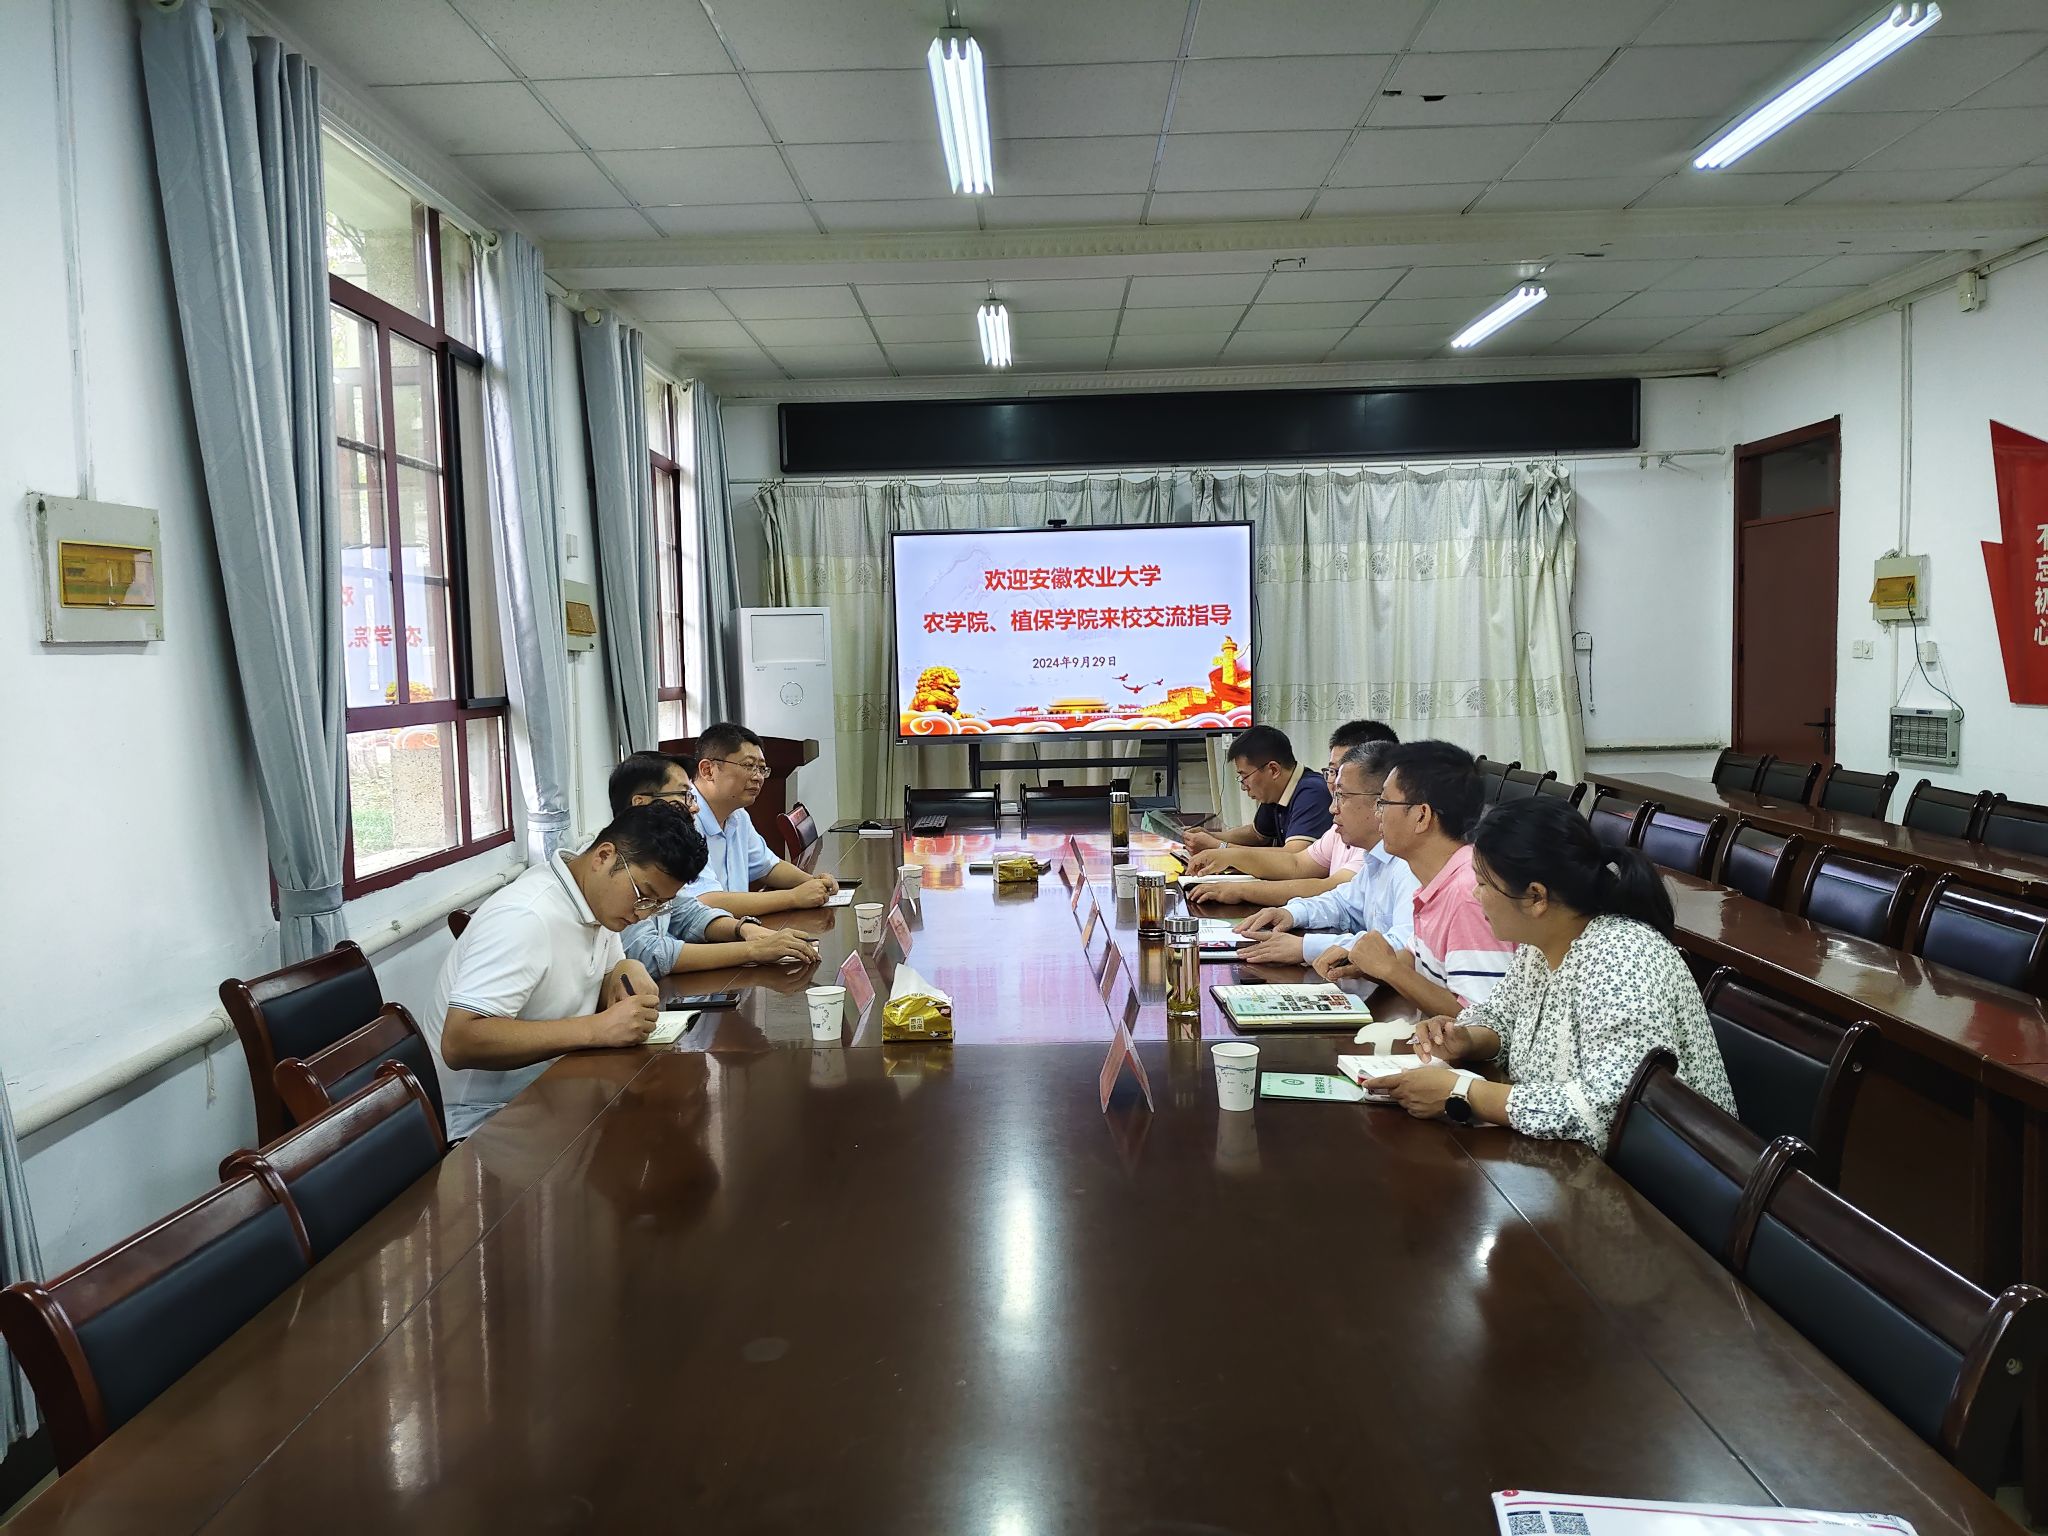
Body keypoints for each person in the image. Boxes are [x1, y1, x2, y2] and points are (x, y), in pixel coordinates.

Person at [1364, 796, 1738, 1154]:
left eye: (1484, 884)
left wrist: (1463, 1093)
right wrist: (1465, 1038)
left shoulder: (1623, 958)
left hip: (1658, 1179)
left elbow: (1612, 1105)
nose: (1475, 895)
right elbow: (1501, 1018)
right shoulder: (1541, 944)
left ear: (1536, 897)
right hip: (1571, 1160)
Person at [427, 802, 702, 1139]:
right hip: (485, 1118)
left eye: (657, 904)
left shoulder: (595, 900)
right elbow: (459, 1042)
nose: (644, 913)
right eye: (644, 895)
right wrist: (596, 1029)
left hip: (555, 1088)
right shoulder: (526, 917)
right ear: (604, 856)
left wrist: (626, 969)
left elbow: (604, 975)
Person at [1311, 740, 1514, 1013]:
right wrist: (1362, 965)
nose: (1377, 814)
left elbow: (1482, 1016)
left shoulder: (1469, 893)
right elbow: (1413, 961)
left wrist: (1389, 968)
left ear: (1421, 816)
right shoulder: (1436, 880)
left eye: (1383, 802)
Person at [607, 752, 818, 974]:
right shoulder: (616, 862)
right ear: (641, 803)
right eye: (684, 795)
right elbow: (648, 952)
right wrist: (752, 950)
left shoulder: (658, 854)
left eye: (692, 797)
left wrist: (743, 929)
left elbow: (687, 912)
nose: (694, 808)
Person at [1231, 739, 1419, 965]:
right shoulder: (1376, 858)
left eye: (1342, 796)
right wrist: (1291, 913)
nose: (1332, 808)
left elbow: (1404, 947)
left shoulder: (1411, 866)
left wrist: (1305, 947)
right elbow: (1342, 903)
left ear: (1381, 801)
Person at [1185, 721, 1398, 905]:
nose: (1333, 784)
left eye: (1341, 773)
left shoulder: (1384, 841)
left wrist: (1240, 887)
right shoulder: (1341, 829)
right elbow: (1297, 864)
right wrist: (1227, 855)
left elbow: (1331, 888)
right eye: (1332, 771)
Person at [685, 722, 840, 916]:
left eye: (762, 769)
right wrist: (793, 897)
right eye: (748, 766)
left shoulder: (738, 816)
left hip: (735, 927)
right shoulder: (684, 819)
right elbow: (707, 901)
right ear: (708, 770)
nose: (758, 777)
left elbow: (769, 867)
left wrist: (813, 882)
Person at [1181, 725, 1331, 860]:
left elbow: (1293, 857)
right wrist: (1209, 836)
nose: (1243, 787)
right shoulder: (1277, 791)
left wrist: (1220, 847)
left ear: (1273, 770)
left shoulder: (1313, 792)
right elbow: (1257, 834)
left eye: (1245, 776)